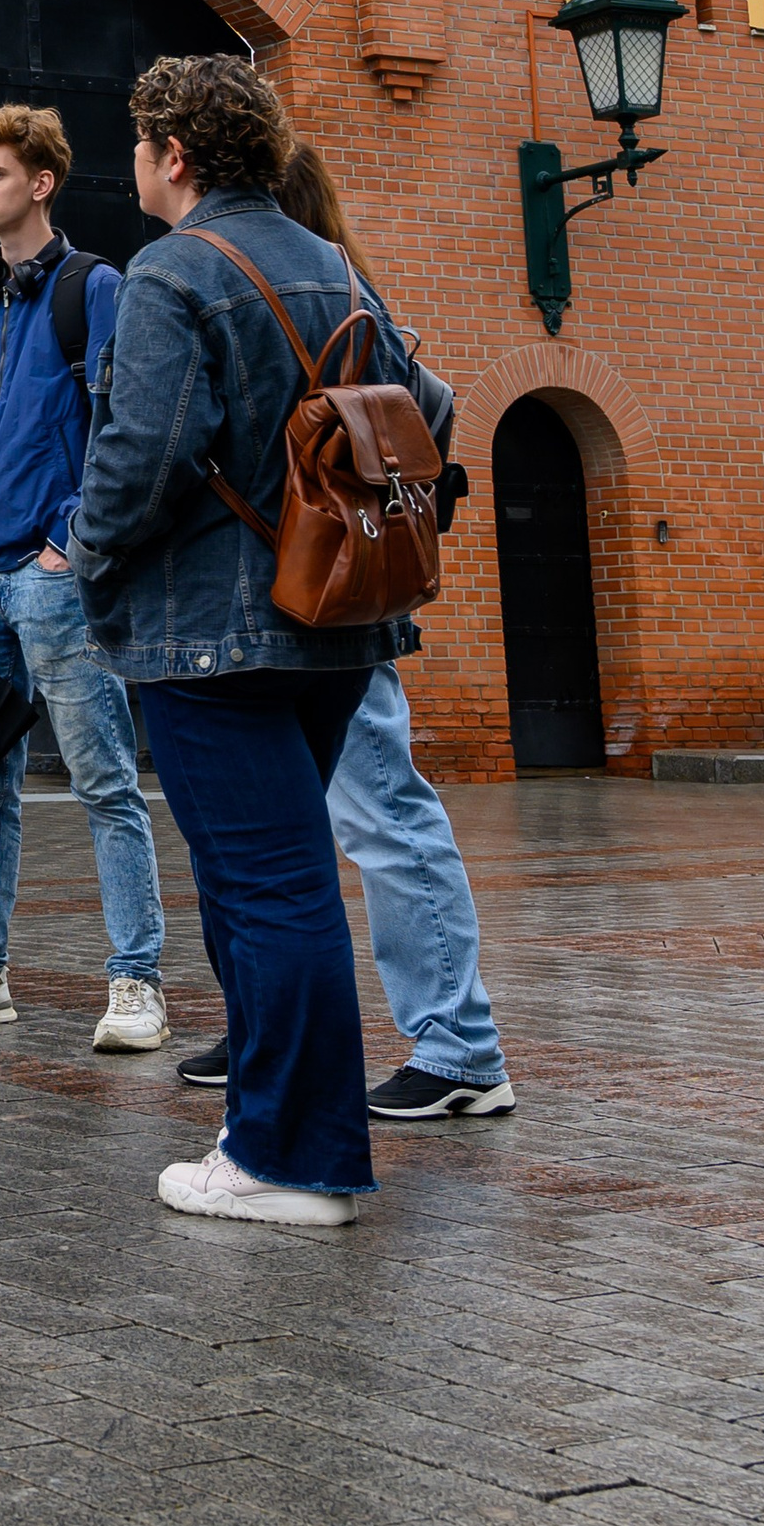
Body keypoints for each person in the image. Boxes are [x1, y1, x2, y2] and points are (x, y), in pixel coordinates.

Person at [69, 56, 439, 1227]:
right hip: (333, 618)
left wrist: (85, 553)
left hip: (206, 634)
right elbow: (427, 409)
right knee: (267, 882)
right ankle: (267, 1137)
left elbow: (145, 453)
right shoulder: (332, 262)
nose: (133, 163)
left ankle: (293, 1158)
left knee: (270, 888)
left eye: (138, 144)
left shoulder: (171, 269)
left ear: (172, 154)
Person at [172, 139, 514, 1126]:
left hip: (327, 596)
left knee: (381, 811)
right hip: (290, 600)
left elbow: (425, 419)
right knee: (275, 827)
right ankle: (263, 1026)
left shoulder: (331, 303)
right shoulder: (325, 291)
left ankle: (460, 1045)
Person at [0, 104, 168, 1054]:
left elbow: (122, 426)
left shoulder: (95, 289)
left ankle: (136, 980)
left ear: (41, 184)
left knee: (104, 780)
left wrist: (68, 538)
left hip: (55, 579)